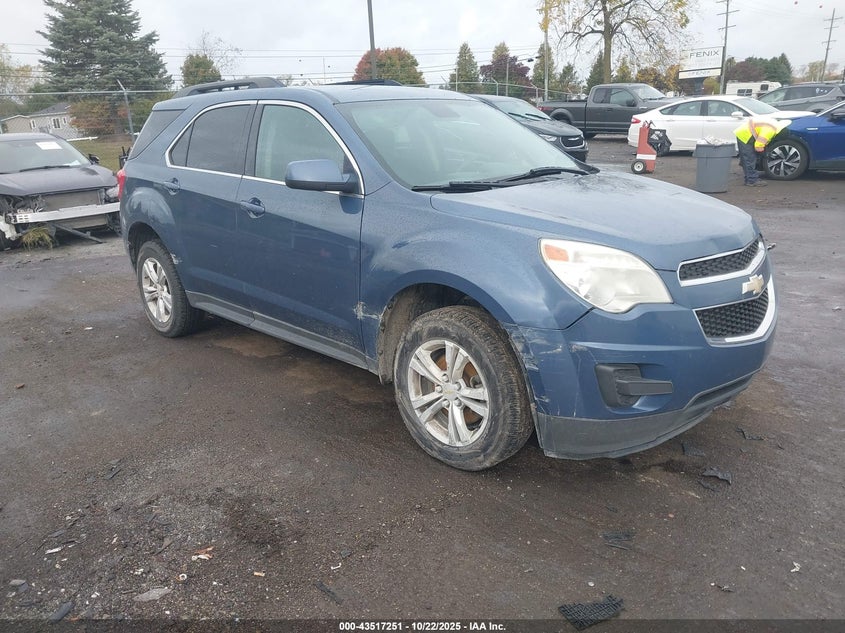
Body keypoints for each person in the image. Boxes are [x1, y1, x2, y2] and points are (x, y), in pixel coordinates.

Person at [733, 116, 790, 187]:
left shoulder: (775, 125)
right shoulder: (770, 131)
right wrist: (765, 154)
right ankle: (752, 180)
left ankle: (749, 178)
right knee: (750, 159)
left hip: (747, 131)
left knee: (749, 158)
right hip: (745, 134)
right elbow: (758, 147)